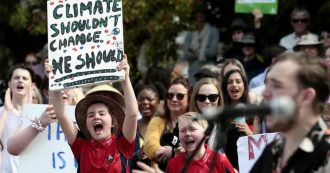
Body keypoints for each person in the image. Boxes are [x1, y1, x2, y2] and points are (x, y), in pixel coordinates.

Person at [51, 54, 139, 173]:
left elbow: (132, 113)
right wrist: (55, 81)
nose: (96, 117)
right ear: (86, 124)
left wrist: (125, 78)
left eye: (102, 114)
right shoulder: (80, 145)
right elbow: (60, 114)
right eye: (90, 115)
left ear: (113, 122)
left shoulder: (122, 144)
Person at [250, 52, 330, 172]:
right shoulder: (272, 151)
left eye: (277, 86)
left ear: (306, 97)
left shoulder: (325, 153)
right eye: (267, 84)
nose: (264, 93)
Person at [143, 77, 190, 171]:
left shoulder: (196, 122)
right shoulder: (157, 121)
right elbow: (149, 145)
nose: (174, 99)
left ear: (189, 98)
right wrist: (168, 152)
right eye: (170, 95)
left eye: (180, 96)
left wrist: (174, 152)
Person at [166, 112, 235, 173]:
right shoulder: (173, 164)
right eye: (182, 130)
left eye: (192, 129)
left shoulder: (220, 162)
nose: (187, 134)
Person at [221, 69, 254, 171]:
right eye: (230, 82)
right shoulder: (220, 113)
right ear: (225, 87)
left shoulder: (255, 111)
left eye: (238, 81)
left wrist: (249, 133)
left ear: (244, 85)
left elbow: (262, 143)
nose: (234, 85)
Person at [189, 78, 224, 150]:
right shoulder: (184, 126)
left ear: (219, 99)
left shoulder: (227, 129)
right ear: (195, 100)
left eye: (212, 97)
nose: (207, 101)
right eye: (201, 97)